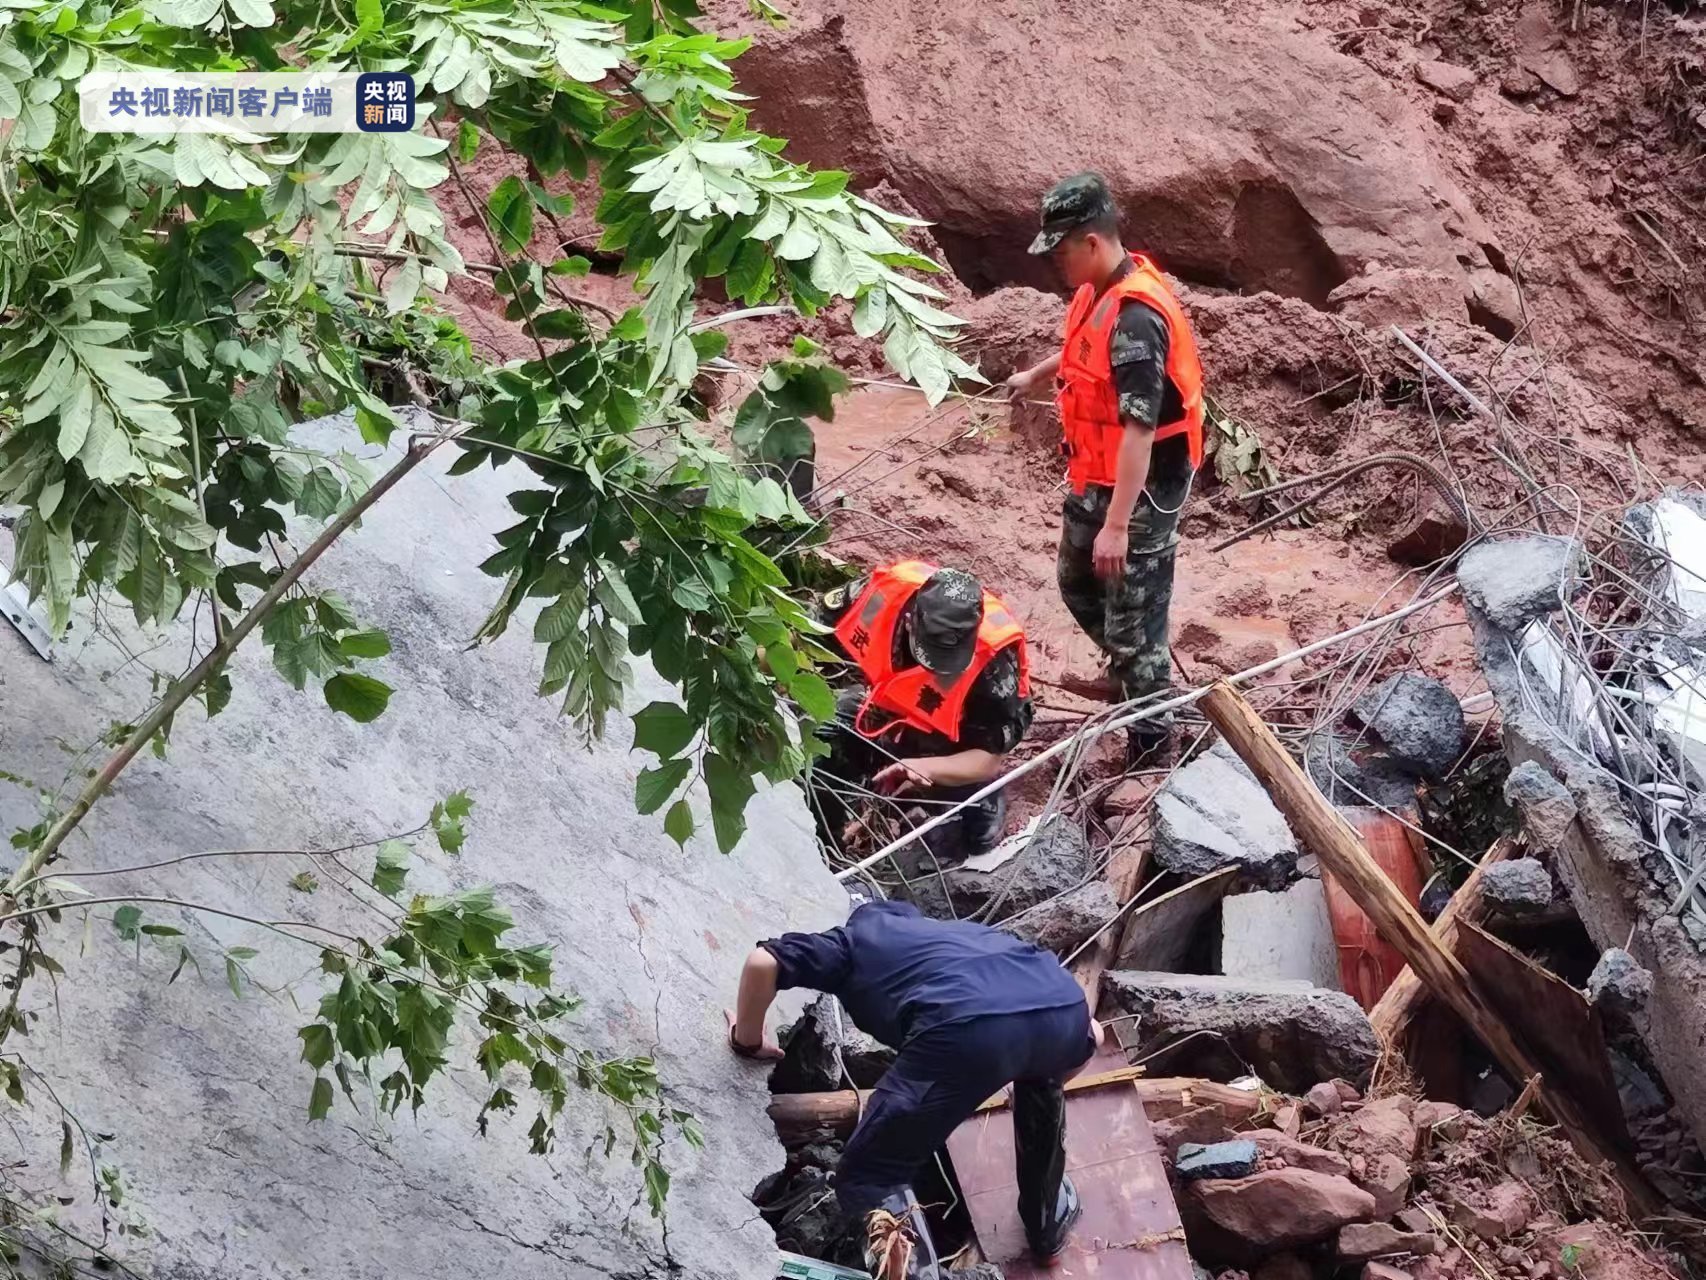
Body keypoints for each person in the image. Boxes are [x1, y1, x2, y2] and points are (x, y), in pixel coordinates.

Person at [726, 898, 1100, 1279]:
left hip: (965, 1033)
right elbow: (1092, 1035)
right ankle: (1046, 1220)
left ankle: (913, 1271)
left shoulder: (848, 947)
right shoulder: (941, 935)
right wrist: (1034, 1076)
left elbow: (763, 961)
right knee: (1045, 1081)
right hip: (1064, 1006)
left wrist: (747, 1040)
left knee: (871, 1172)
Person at [1005, 173, 1205, 767]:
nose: (1055, 265)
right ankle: (1130, 676)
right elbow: (1086, 352)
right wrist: (1035, 376)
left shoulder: (1140, 317)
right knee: (1077, 581)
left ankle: (1151, 749)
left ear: (1092, 242)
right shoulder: (1098, 290)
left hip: (1145, 488)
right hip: (1095, 471)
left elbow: (1141, 431)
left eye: (1061, 252)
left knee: (1135, 617)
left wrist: (1118, 526)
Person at [809, 561, 1033, 864]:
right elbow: (807, 631)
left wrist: (927, 769)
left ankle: (978, 799)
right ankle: (826, 846)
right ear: (912, 619)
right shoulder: (879, 596)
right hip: (883, 709)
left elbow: (988, 758)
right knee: (826, 734)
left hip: (950, 739)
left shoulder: (993, 663)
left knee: (979, 838)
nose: (937, 666)